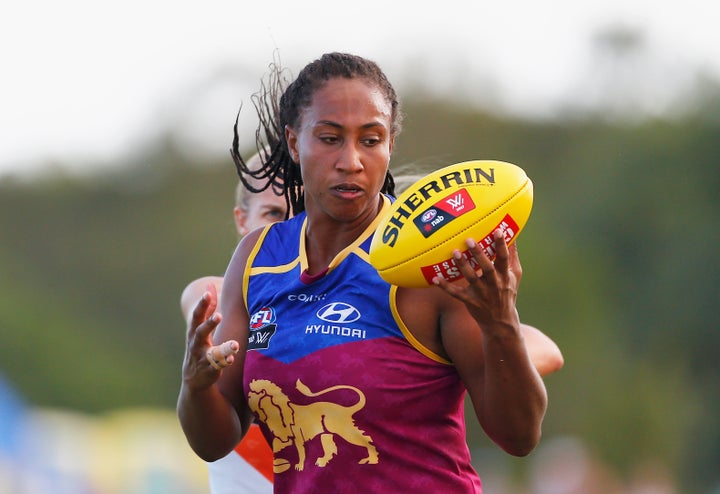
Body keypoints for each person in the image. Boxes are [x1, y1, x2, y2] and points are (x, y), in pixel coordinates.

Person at [178, 52, 561, 493]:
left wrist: (501, 324)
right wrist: (194, 385)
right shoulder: (257, 259)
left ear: (390, 145)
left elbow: (518, 437)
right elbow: (215, 439)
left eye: (371, 140)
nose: (351, 160)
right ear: (292, 141)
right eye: (329, 138)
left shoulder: (429, 268)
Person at [180, 151, 286, 494]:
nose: (286, 228)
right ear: (242, 219)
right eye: (273, 214)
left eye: (302, 213)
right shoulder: (224, 293)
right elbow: (202, 296)